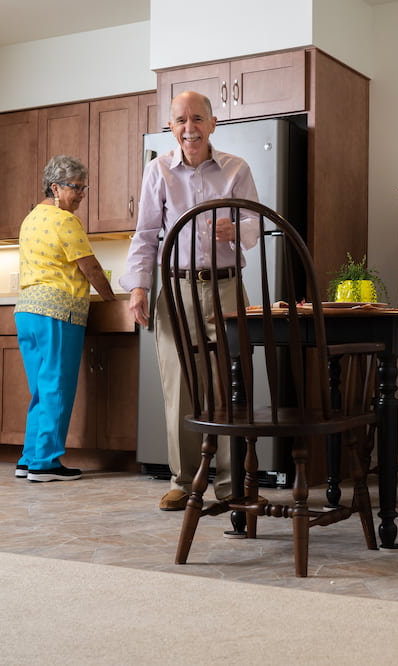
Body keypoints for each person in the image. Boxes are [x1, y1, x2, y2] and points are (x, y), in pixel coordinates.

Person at [120, 91, 261, 511]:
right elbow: (146, 234)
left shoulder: (237, 168)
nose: (189, 127)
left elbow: (257, 223)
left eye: (197, 118)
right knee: (179, 385)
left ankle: (232, 481)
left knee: (228, 385)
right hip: (176, 289)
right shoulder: (158, 170)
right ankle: (184, 480)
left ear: (213, 124)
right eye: (180, 120)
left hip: (227, 287)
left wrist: (237, 229)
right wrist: (139, 287)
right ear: (172, 127)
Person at [14, 155, 115, 482]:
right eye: (76, 187)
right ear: (54, 186)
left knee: (41, 390)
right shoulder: (65, 221)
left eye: (84, 187)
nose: (82, 194)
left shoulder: (30, 218)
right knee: (56, 387)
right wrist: (111, 299)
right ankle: (45, 464)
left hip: (27, 312)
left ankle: (28, 458)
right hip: (58, 311)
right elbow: (90, 267)